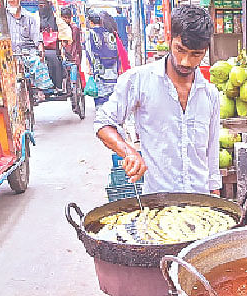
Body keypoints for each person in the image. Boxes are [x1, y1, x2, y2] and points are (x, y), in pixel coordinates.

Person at [94, 6, 221, 195]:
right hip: (158, 204)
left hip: (200, 205)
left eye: (196, 54)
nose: (186, 61)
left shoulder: (210, 94)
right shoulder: (139, 81)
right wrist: (129, 152)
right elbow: (103, 123)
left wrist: (215, 200)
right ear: (170, 37)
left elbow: (212, 156)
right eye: (180, 49)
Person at [6, 0, 54, 96]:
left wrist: (41, 51)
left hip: (27, 52)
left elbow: (37, 38)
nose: (12, 3)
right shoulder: (3, 19)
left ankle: (40, 89)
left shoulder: (29, 18)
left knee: (37, 62)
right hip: (8, 52)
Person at [84, 11, 121, 108]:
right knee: (111, 94)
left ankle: (101, 115)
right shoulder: (109, 33)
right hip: (112, 67)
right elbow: (116, 51)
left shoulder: (90, 34)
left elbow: (89, 52)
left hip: (99, 67)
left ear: (90, 22)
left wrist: (90, 67)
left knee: (100, 95)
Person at [38, 0, 64, 92]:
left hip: (51, 48)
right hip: (36, 47)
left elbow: (62, 34)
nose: (41, 7)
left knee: (54, 59)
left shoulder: (55, 19)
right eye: (40, 5)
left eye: (43, 5)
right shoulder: (34, 18)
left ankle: (56, 85)